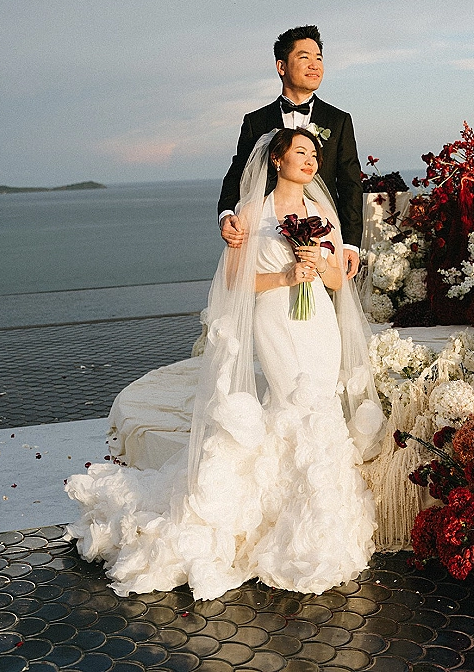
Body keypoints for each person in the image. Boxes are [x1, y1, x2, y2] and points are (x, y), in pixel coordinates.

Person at [65, 128, 385, 600]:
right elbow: (237, 282)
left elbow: (339, 280)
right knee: (291, 399)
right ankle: (281, 517)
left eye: (315, 155)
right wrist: (284, 273)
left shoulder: (323, 214)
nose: (312, 162)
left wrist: (318, 263)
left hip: (318, 319)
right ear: (276, 160)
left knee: (321, 402)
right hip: (277, 320)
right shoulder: (253, 214)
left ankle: (319, 516)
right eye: (302, 153)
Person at [219, 25, 364, 278]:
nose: (314, 65)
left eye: (319, 58)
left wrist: (350, 243)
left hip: (324, 237)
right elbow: (238, 173)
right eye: (304, 57)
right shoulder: (256, 122)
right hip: (267, 235)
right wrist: (227, 214)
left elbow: (350, 183)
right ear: (281, 66)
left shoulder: (338, 120)